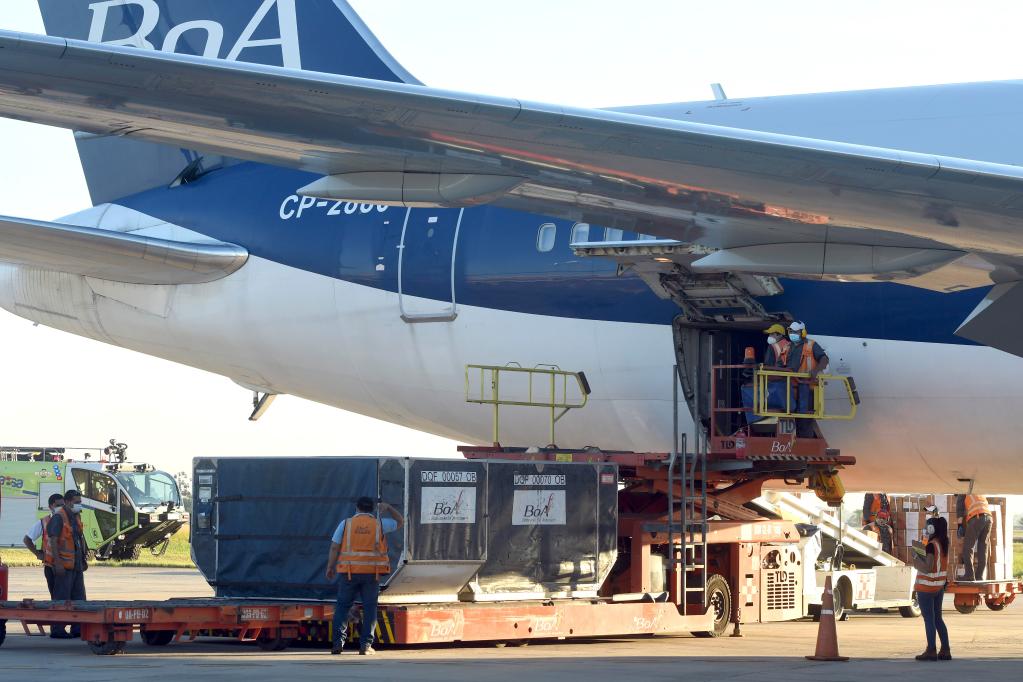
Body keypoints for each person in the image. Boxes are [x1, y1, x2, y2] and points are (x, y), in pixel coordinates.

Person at [325, 497, 404, 656]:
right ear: (373, 509)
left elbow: (334, 547)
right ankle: (365, 646)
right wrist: (388, 507)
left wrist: (330, 567)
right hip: (371, 574)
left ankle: (338, 644)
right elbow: (400, 521)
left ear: (357, 507)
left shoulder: (345, 524)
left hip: (349, 573)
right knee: (369, 609)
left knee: (342, 607)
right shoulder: (380, 524)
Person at [22, 493, 68, 635]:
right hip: (51, 567)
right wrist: (38, 554)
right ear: (50, 506)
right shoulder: (44, 522)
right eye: (58, 505)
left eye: (63, 504)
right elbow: (27, 539)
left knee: (68, 599)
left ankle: (69, 628)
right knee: (57, 599)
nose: (61, 507)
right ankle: (57, 629)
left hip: (68, 566)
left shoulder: (69, 520)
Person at [46, 489, 88, 638]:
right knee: (62, 598)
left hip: (76, 565)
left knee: (79, 598)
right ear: (68, 502)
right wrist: (57, 564)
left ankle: (77, 628)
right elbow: (53, 541)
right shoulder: (59, 517)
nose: (79, 504)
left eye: (80, 502)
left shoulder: (75, 516)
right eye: (77, 502)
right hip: (63, 566)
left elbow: (78, 539)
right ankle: (57, 630)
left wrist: (83, 559)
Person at [913, 516, 951, 661]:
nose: (925, 529)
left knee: (929, 619)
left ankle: (931, 650)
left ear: (931, 529)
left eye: (927, 526)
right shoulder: (943, 544)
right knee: (938, 619)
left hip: (926, 587)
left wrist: (916, 559)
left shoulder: (931, 546)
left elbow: (928, 567)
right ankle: (945, 650)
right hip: (938, 587)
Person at [783, 321, 829, 437]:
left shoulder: (811, 345)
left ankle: (805, 440)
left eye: (796, 332)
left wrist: (815, 370)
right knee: (788, 416)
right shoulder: (787, 347)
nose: (792, 334)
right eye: (791, 331)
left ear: (803, 333)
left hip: (807, 388)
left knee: (804, 419)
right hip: (790, 387)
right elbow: (779, 364)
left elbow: (824, 359)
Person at [956, 494, 992, 581]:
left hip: (977, 517)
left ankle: (969, 575)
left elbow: (960, 510)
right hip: (989, 518)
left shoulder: (962, 492)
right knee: (983, 548)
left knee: (968, 548)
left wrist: (960, 527)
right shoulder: (978, 492)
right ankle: (979, 576)